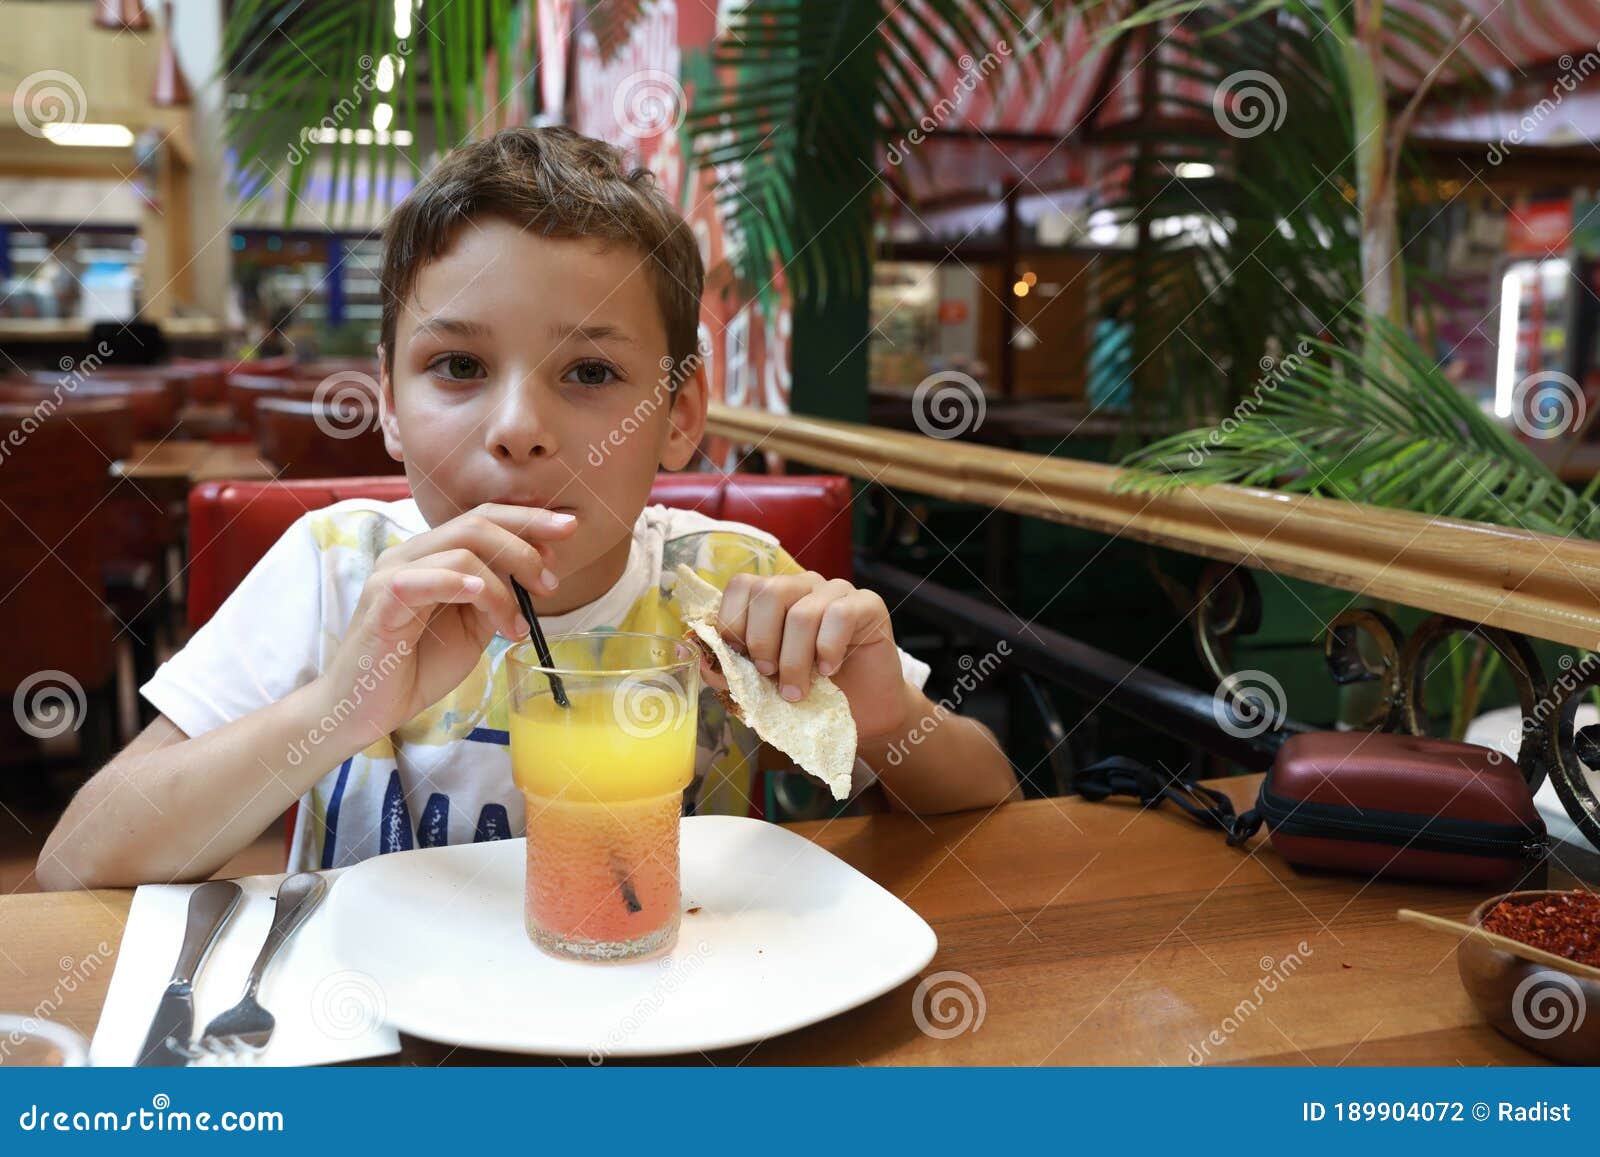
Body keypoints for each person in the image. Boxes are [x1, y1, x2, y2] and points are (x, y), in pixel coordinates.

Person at [38, 127, 1017, 889]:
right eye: (457, 366)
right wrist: (334, 706)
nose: (517, 428)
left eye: (589, 371)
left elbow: (990, 808)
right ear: (387, 402)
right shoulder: (335, 569)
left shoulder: (735, 579)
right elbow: (77, 861)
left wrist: (889, 717)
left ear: (676, 416)